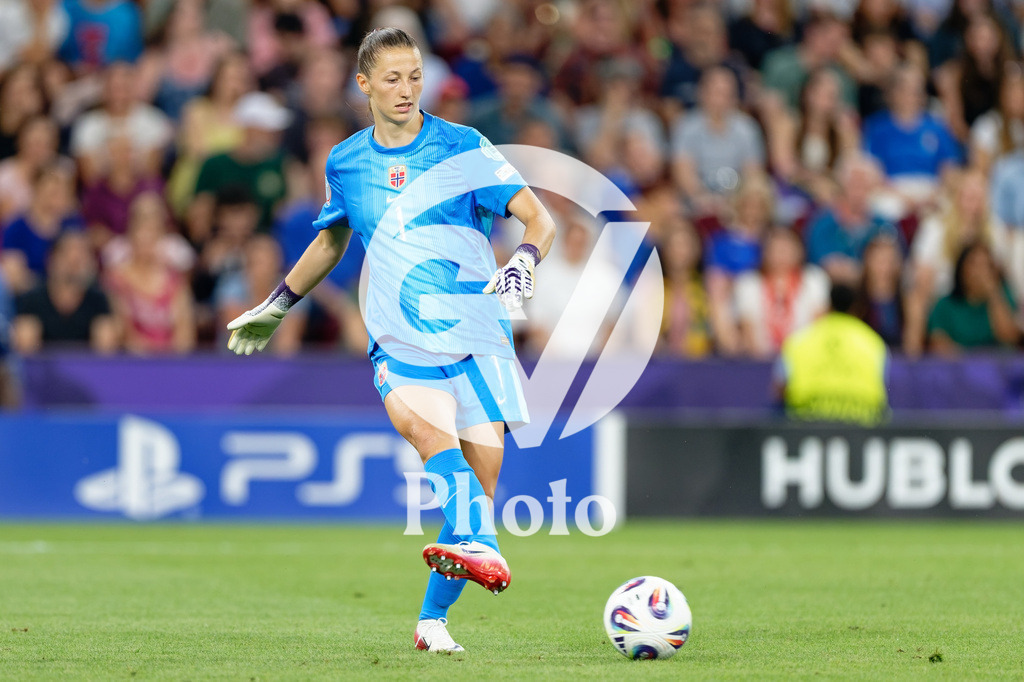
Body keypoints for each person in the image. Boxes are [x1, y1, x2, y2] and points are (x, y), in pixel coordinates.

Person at [224, 28, 556, 652]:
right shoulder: (346, 161)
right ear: (365, 84)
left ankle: (433, 621)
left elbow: (540, 217)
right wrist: (279, 304)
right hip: (398, 342)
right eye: (393, 78)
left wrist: (526, 259)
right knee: (435, 445)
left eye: (414, 75)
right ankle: (485, 547)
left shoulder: (463, 147)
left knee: (476, 494)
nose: (406, 89)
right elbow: (331, 239)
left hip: (477, 337)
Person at [777, 282, 889, 426]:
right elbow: (885, 389)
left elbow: (780, 389)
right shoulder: (873, 343)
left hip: (806, 426)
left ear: (828, 306)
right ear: (856, 309)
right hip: (861, 428)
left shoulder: (799, 340)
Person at [11, 231, 118, 354]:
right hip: (43, 369)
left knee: (106, 332)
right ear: (51, 259)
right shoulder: (31, 300)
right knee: (25, 332)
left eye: (81, 256)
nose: (74, 260)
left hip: (86, 368)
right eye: (67, 255)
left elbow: (108, 345)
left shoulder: (97, 300)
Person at [734, 227, 830, 359]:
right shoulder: (748, 283)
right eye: (776, 249)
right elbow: (747, 329)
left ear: (799, 250)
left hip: (806, 358)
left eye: (787, 248)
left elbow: (820, 325)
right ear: (765, 252)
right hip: (760, 360)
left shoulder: (814, 279)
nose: (781, 254)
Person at [927, 242, 1020, 354]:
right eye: (975, 265)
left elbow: (1010, 338)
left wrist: (994, 294)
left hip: (999, 369)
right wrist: (972, 362)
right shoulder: (945, 305)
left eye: (987, 265)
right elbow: (939, 344)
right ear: (961, 269)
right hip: (959, 369)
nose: (981, 272)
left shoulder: (1004, 298)